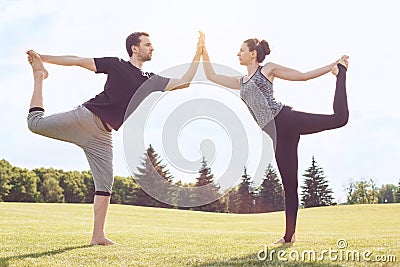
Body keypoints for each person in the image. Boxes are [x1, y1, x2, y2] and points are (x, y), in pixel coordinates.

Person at [26, 32, 203, 245]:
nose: (152, 48)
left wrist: (198, 53)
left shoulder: (150, 81)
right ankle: (38, 76)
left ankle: (97, 236)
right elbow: (77, 61)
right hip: (86, 118)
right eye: (147, 45)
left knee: (105, 185)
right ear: (134, 48)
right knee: (34, 124)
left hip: (103, 137)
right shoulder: (116, 64)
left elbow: (184, 83)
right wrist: (42, 58)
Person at [200, 32, 349, 244]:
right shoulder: (240, 81)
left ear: (253, 54)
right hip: (276, 135)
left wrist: (332, 66)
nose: (237, 54)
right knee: (290, 185)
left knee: (339, 119)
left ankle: (341, 72)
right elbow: (211, 76)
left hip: (285, 119)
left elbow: (304, 75)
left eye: (241, 50)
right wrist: (203, 50)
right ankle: (289, 237)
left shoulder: (267, 69)